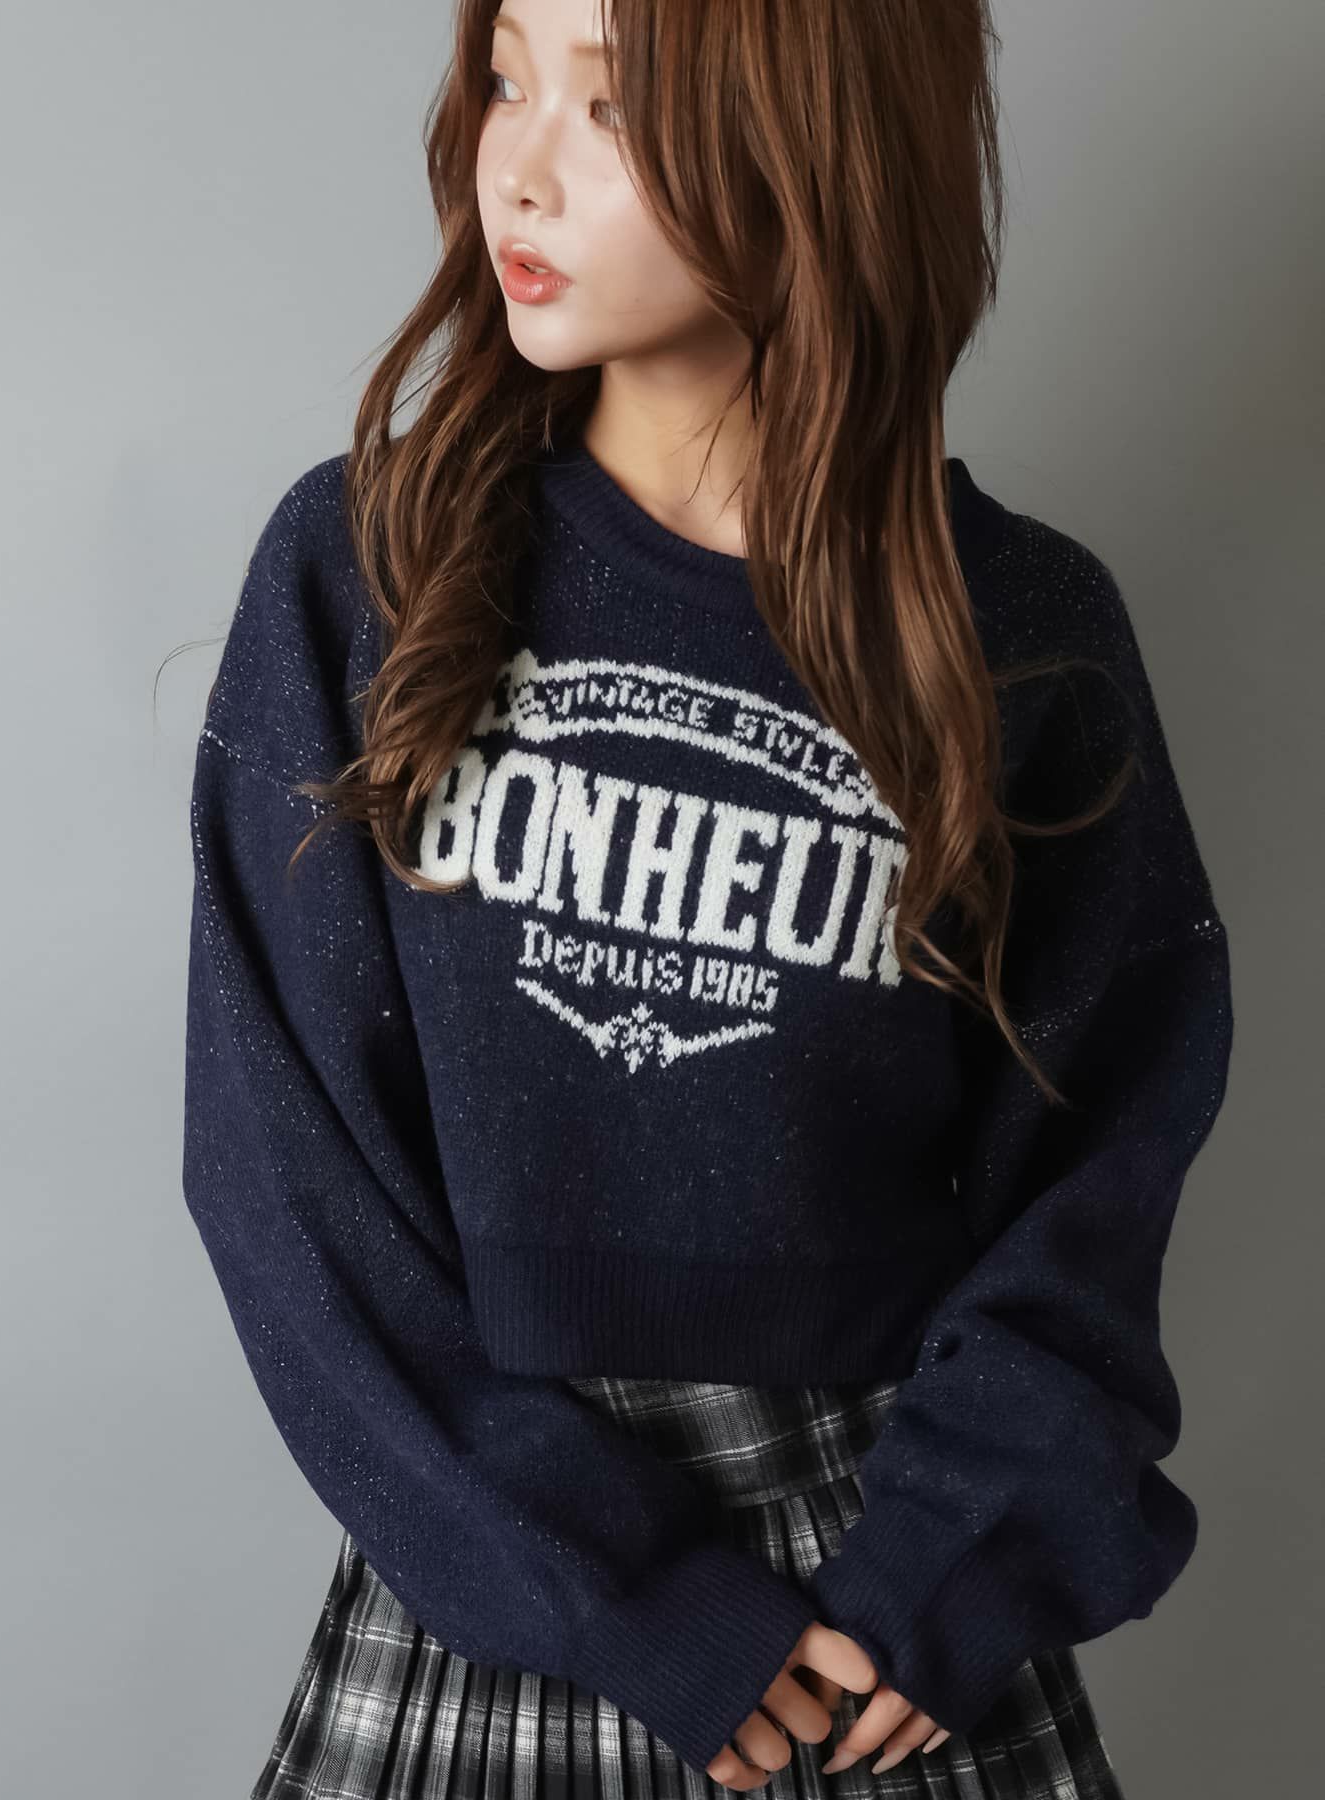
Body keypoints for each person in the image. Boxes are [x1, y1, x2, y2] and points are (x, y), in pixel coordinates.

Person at [180, 2, 1234, 1794]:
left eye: (612, 108)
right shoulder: (369, 570)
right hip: (499, 1570)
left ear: (818, 139)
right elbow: (287, 1178)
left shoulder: (1025, 643)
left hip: (878, 1605)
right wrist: (610, 1583)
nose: (518, 167)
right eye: (506, 77)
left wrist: (954, 1558)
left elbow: (1099, 1170)